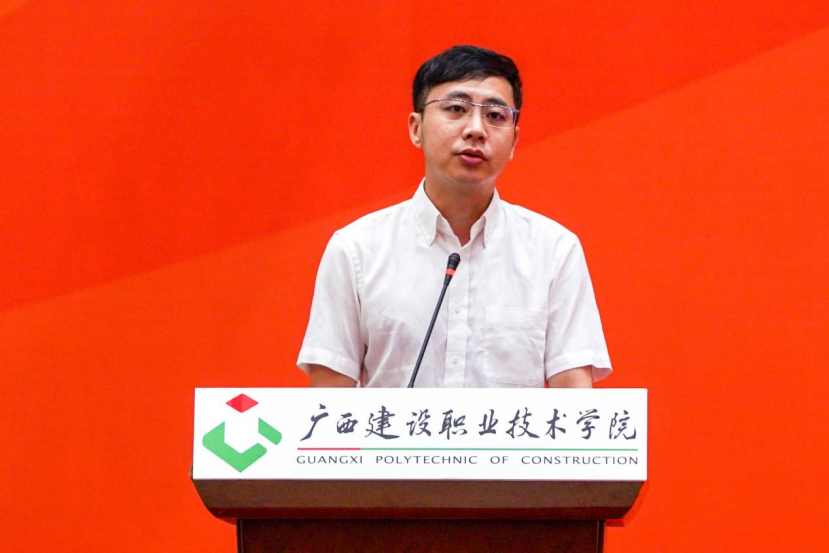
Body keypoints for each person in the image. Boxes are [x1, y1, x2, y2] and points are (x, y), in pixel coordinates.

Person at [297, 45, 611, 388]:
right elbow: (329, 398)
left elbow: (574, 396)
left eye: (495, 116)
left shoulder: (553, 251)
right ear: (416, 128)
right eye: (456, 109)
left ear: (513, 141)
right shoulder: (356, 250)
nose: (476, 129)